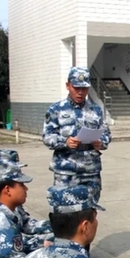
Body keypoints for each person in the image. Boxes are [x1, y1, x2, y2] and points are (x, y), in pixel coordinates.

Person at [43, 66, 112, 203]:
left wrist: (101, 142)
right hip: (66, 172)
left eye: (84, 88)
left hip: (90, 171)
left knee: (90, 213)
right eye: (76, 88)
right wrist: (65, 142)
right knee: (65, 213)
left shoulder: (95, 110)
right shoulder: (56, 109)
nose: (80, 92)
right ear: (68, 85)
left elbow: (106, 134)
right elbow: (47, 136)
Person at [0, 149, 54, 250]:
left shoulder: (8, 199)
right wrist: (43, 242)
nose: (26, 188)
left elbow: (26, 224)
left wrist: (59, 226)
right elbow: (10, 240)